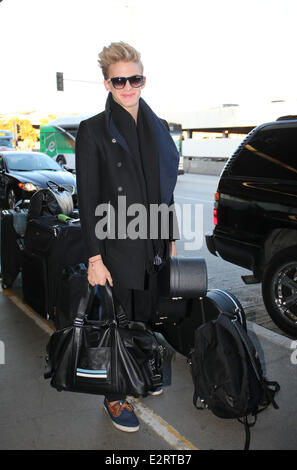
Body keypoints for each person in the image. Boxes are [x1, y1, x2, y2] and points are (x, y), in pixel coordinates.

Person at [75, 41, 179, 432]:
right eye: (119, 81)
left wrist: (168, 234)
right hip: (116, 246)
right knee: (118, 322)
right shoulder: (93, 131)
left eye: (134, 78)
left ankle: (138, 371)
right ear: (107, 84)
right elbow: (87, 199)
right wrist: (94, 258)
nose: (128, 87)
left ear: (143, 79)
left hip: (151, 241)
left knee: (145, 316)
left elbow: (165, 188)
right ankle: (115, 397)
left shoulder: (158, 126)